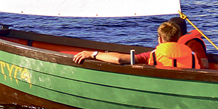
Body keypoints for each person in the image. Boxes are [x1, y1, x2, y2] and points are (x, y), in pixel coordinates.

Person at [72, 19, 200, 69]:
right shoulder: (193, 56)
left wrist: (93, 54)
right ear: (178, 38)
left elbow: (119, 59)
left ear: (160, 39)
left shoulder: (151, 55)